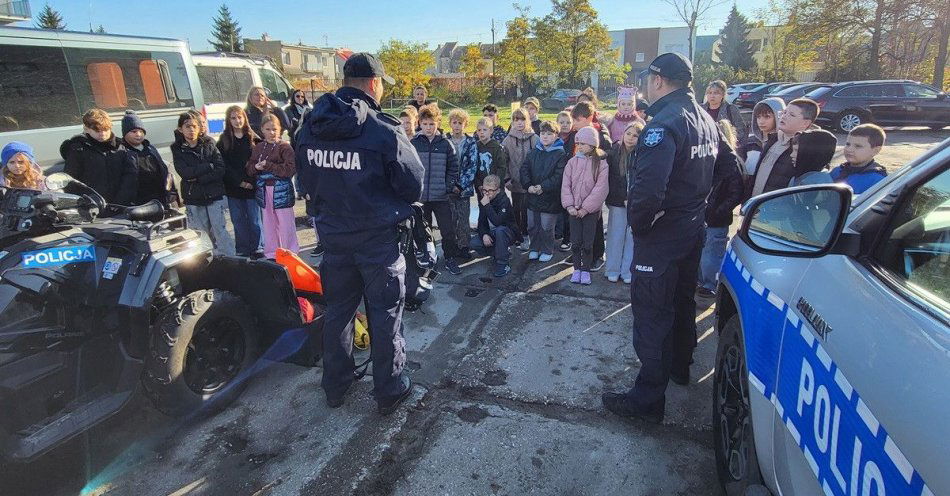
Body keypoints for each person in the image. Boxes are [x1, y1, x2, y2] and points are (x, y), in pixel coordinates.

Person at [602, 53, 730, 424]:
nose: (644, 84)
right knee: (680, 302)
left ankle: (646, 402)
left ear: (658, 80)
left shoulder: (664, 124)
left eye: (647, 78)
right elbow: (730, 171)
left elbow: (646, 192)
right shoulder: (705, 117)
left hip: (664, 235)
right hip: (691, 228)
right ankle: (679, 367)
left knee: (652, 316)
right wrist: (703, 208)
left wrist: (641, 228)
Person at [295, 53, 422, 415]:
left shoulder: (311, 125)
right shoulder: (383, 130)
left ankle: (335, 385)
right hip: (376, 240)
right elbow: (412, 185)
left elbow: (305, 179)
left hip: (333, 237)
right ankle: (390, 389)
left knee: (338, 312)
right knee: (384, 315)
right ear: (373, 84)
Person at [171, 112, 235, 256]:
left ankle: (230, 258)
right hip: (194, 197)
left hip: (214, 194)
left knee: (220, 229)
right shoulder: (177, 148)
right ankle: (207, 260)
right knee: (201, 232)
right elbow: (185, 173)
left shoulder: (209, 143)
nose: (191, 130)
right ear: (181, 129)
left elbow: (220, 168)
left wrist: (200, 178)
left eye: (194, 126)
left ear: (199, 127)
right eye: (187, 126)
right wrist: (208, 166)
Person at [410, 104, 463, 275]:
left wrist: (447, 186)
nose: (428, 128)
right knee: (423, 232)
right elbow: (409, 168)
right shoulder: (414, 144)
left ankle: (450, 258)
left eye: (432, 124)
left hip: (441, 197)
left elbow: (453, 168)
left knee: (447, 231)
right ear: (419, 123)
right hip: (421, 198)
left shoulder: (446, 144)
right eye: (425, 124)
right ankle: (428, 259)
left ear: (437, 123)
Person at [697, 121, 745, 298]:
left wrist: (716, 212)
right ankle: (701, 280)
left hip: (716, 220)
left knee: (711, 254)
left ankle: (710, 284)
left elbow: (735, 194)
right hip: (702, 216)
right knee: (701, 253)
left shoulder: (732, 164)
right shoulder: (708, 161)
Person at [246, 113, 299, 259]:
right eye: (268, 129)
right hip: (264, 190)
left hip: (281, 190)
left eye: (274, 129)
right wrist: (256, 167)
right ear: (262, 129)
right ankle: (271, 253)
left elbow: (289, 170)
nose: (271, 133)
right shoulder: (258, 148)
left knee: (285, 224)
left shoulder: (284, 147)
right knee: (269, 224)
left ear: (280, 129)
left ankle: (291, 252)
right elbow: (249, 168)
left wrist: (268, 166)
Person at [565, 101, 611, 271]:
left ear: (587, 118)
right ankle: (579, 254)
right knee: (578, 231)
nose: (573, 124)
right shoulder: (575, 136)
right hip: (576, 190)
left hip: (593, 194)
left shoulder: (601, 135)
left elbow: (605, 162)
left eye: (576, 120)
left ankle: (596, 255)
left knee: (594, 228)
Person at [60, 108, 137, 205]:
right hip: (90, 206)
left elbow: (129, 178)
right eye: (97, 130)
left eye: (106, 129)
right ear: (86, 129)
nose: (102, 134)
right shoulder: (78, 149)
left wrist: (121, 201)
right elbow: (71, 180)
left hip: (120, 205)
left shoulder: (121, 148)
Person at [748, 98, 821, 197]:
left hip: (776, 210)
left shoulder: (806, 152)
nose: (784, 116)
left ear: (806, 123)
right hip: (755, 206)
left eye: (791, 115)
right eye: (784, 112)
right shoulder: (773, 139)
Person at [218, 106, 263, 258]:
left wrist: (250, 180)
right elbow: (223, 165)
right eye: (233, 118)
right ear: (228, 120)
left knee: (254, 220)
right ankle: (243, 248)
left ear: (244, 118)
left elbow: (258, 161)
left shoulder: (253, 138)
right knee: (238, 221)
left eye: (240, 117)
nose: (237, 121)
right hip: (234, 188)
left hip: (252, 186)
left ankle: (257, 247)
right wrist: (239, 182)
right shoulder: (224, 140)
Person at [521, 121, 567, 262]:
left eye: (549, 134)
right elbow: (524, 169)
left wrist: (543, 187)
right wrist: (528, 185)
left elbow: (558, 176)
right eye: (542, 133)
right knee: (532, 225)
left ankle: (547, 249)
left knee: (546, 227)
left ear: (555, 135)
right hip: (532, 196)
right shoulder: (534, 152)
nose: (545, 137)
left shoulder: (560, 154)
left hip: (549, 197)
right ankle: (534, 248)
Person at [604, 121, 643, 283]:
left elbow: (642, 180)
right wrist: (622, 198)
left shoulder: (643, 154)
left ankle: (627, 271)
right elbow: (611, 180)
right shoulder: (614, 152)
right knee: (615, 235)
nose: (631, 138)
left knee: (631, 237)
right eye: (628, 134)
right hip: (617, 202)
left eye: (635, 135)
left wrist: (633, 199)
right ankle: (612, 269)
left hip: (635, 203)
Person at [502, 107, 539, 251]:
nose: (519, 123)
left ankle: (527, 235)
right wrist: (506, 179)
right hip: (515, 183)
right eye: (516, 120)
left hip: (530, 183)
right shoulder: (507, 140)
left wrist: (535, 181)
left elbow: (538, 160)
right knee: (516, 209)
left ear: (528, 121)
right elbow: (503, 162)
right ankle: (518, 235)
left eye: (522, 119)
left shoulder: (534, 139)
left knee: (528, 210)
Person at [120, 110, 173, 207]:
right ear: (125, 133)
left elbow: (165, 172)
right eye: (134, 131)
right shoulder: (122, 152)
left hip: (159, 199)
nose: (138, 134)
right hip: (138, 203)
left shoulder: (150, 149)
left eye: (141, 131)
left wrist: (171, 193)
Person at [472, 174, 518, 277]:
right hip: (492, 233)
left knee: (499, 231)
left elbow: (498, 222)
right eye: (484, 190)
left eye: (490, 191)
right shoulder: (484, 200)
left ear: (497, 190)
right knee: (474, 243)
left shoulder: (504, 201)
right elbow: (481, 223)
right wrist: (484, 234)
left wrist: (487, 205)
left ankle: (503, 264)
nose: (486, 193)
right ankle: (499, 254)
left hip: (507, 233)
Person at [447, 108, 478, 254]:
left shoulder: (471, 142)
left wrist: (460, 185)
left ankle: (464, 246)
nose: (457, 126)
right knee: (450, 219)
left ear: (465, 124)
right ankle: (452, 246)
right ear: (450, 124)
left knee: (463, 219)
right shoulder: (445, 141)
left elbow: (472, 166)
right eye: (455, 122)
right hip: (448, 188)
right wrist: (450, 185)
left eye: (460, 123)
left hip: (464, 189)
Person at [830, 124, 888, 194]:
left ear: (875, 150)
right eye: (848, 144)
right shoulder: (837, 171)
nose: (849, 149)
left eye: (858, 146)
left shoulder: (878, 180)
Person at [739, 98, 784, 182]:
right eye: (758, 117)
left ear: (779, 116)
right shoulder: (750, 142)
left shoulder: (783, 144)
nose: (761, 121)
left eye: (767, 117)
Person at [473, 117, 508, 193]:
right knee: (484, 204)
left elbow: (502, 167)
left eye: (485, 130)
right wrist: (479, 185)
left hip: (496, 188)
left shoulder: (497, 147)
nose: (482, 132)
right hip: (482, 188)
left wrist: (494, 184)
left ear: (491, 131)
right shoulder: (475, 147)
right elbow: (473, 168)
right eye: (479, 130)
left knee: (499, 204)